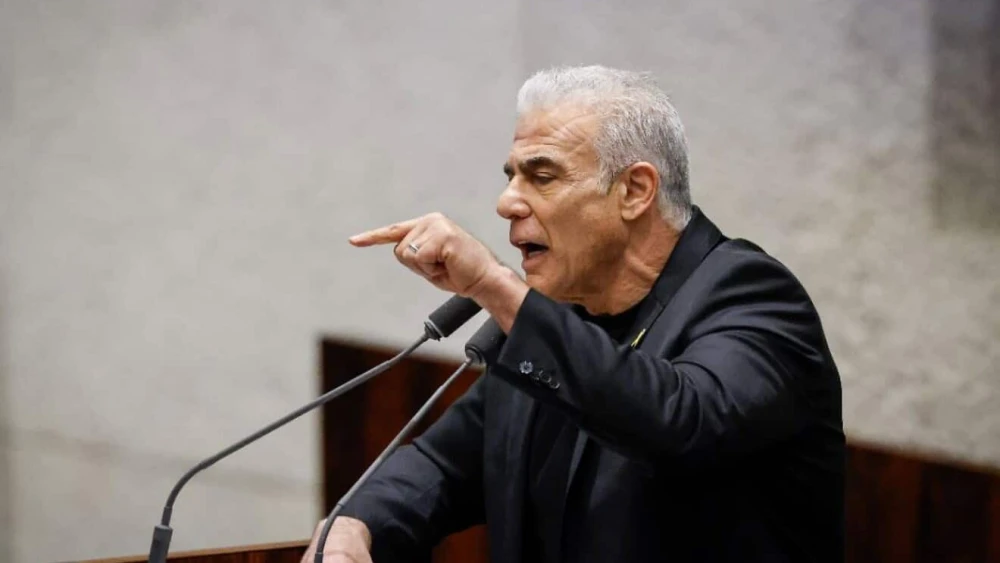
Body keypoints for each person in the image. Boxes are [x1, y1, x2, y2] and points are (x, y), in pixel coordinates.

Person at [303, 65, 845, 563]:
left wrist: (496, 286)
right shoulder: (562, 316)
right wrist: (355, 523)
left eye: (541, 176)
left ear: (635, 190)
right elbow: (442, 466)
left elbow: (680, 420)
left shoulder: (753, 298)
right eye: (511, 175)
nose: (506, 202)